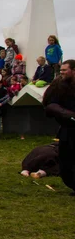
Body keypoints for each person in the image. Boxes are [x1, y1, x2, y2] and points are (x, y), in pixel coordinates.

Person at [43, 59, 75, 194]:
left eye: (64, 70)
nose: (61, 72)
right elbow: (49, 104)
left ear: (73, 71)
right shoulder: (57, 84)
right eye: (60, 70)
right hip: (67, 128)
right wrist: (67, 114)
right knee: (66, 159)